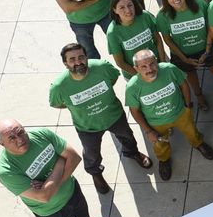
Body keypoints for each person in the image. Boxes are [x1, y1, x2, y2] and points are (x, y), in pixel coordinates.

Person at [49, 43, 152, 193]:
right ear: (65, 63)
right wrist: (74, 107)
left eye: (81, 57)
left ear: (86, 57)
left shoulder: (102, 67)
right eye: (72, 59)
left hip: (114, 115)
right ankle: (96, 173)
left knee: (127, 136)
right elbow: (56, 104)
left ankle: (132, 153)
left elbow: (113, 78)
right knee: (92, 154)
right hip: (87, 127)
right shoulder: (59, 86)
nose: (78, 62)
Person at [125, 48, 213, 180]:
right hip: (156, 122)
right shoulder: (133, 87)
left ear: (156, 61)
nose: (149, 69)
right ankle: (164, 160)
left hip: (180, 113)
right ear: (137, 68)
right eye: (143, 66)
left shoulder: (169, 69)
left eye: (151, 64)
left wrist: (187, 105)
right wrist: (148, 131)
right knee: (160, 144)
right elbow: (134, 111)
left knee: (192, 131)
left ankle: (198, 144)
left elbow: (184, 85)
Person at [156, 0, 213, 108]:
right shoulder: (162, 16)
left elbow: (210, 28)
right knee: (190, 77)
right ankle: (199, 97)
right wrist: (184, 59)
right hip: (182, 53)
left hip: (206, 46)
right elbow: (167, 39)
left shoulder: (199, 4)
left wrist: (208, 50)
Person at [106, 0, 165, 78]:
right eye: (122, 7)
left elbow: (158, 40)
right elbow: (120, 62)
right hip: (135, 75)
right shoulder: (112, 32)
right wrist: (141, 76)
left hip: (156, 67)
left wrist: (163, 63)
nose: (128, 10)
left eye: (130, 5)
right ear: (115, 10)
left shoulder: (145, 16)